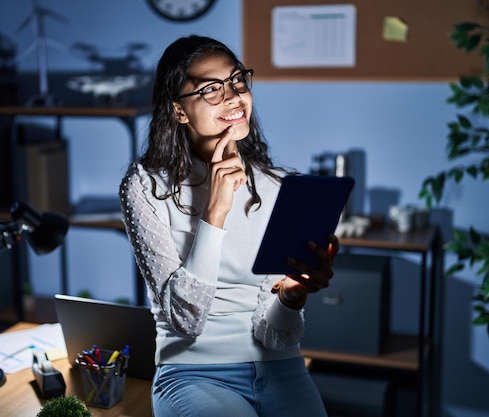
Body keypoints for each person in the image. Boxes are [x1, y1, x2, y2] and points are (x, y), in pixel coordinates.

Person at [119, 35, 338, 417]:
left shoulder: (279, 187)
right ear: (178, 110)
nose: (234, 97)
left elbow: (274, 333)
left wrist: (292, 294)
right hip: (192, 374)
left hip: (281, 367)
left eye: (238, 81)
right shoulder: (145, 186)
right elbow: (187, 319)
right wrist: (215, 210)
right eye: (211, 89)